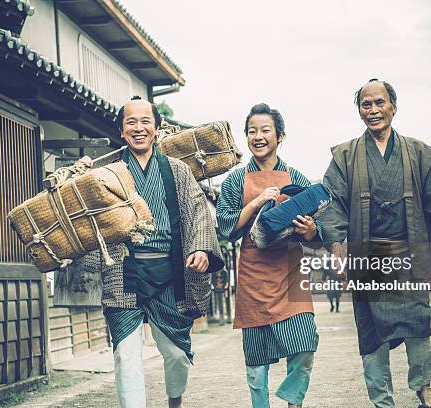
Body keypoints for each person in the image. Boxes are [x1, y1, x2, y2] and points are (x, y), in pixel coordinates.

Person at [79, 96, 224, 408]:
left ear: (157, 129)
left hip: (170, 274)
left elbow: (198, 213)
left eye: (146, 121)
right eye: (131, 122)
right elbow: (75, 203)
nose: (139, 127)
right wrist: (78, 173)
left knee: (176, 353)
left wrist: (200, 248)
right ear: (121, 130)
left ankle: (175, 399)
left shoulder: (178, 171)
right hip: (123, 273)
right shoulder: (106, 172)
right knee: (125, 356)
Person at [321, 79, 431, 408]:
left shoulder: (418, 153)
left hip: (409, 254)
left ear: (393, 106)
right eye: (366, 104)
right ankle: (382, 400)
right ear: (359, 111)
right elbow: (331, 205)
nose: (373, 110)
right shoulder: (345, 156)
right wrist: (337, 248)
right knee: (371, 332)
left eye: (380, 102)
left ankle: (423, 388)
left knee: (419, 323)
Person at [216, 103, 320, 408]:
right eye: (252, 131)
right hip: (253, 274)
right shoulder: (235, 180)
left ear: (280, 136)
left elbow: (318, 232)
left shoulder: (296, 176)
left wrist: (310, 228)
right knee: (256, 362)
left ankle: (292, 402)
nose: (257, 137)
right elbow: (226, 227)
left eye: (265, 130)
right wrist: (256, 202)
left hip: (290, 271)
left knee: (304, 346)